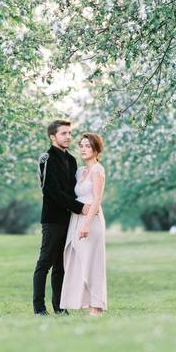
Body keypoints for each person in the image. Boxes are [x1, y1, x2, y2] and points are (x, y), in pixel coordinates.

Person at [32, 119, 91, 316]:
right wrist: (80, 207)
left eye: (69, 133)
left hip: (70, 220)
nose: (68, 137)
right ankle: (39, 308)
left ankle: (60, 307)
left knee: (62, 266)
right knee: (45, 263)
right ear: (53, 136)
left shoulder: (72, 160)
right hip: (52, 219)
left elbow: (73, 190)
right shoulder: (46, 158)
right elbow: (51, 191)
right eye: (64, 133)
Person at [60, 132, 107, 315]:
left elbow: (97, 199)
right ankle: (85, 303)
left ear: (96, 149)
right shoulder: (80, 171)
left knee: (93, 262)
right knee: (77, 260)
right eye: (81, 145)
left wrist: (86, 224)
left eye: (88, 146)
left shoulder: (98, 170)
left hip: (91, 220)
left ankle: (96, 308)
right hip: (76, 219)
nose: (84, 149)